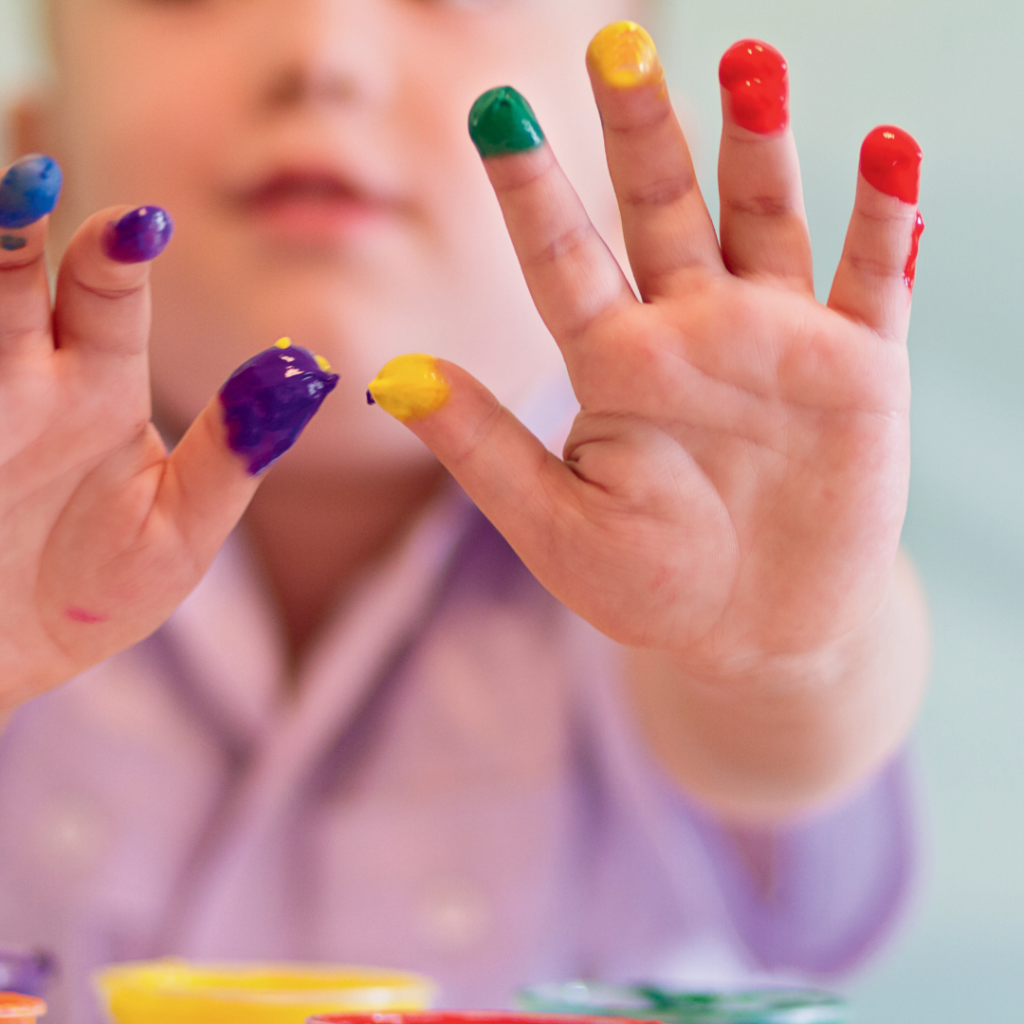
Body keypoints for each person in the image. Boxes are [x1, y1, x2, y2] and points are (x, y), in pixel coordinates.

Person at [0, 0, 930, 1020]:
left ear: (622, 178)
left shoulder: (686, 513)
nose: (320, 54)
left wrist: (788, 656)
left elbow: (781, 748)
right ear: (39, 142)